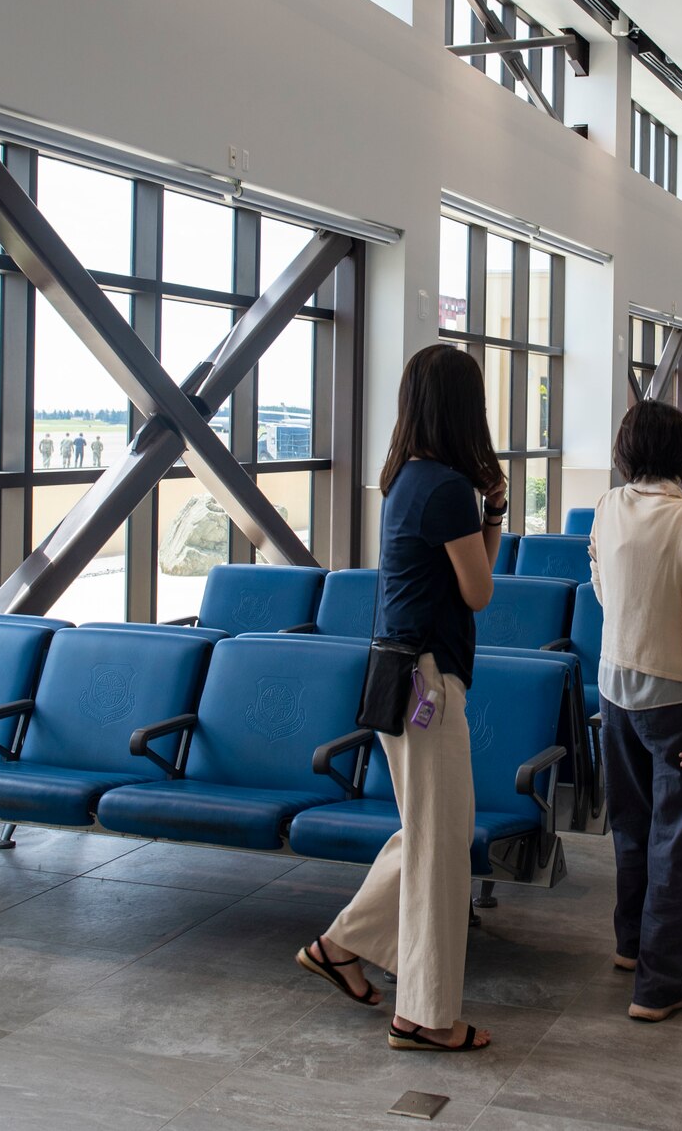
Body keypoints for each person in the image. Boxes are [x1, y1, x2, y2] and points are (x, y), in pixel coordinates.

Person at [296, 344, 502, 1052]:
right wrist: (488, 506)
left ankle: (341, 944)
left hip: (399, 672)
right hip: (427, 684)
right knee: (441, 852)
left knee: (427, 834)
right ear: (462, 410)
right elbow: (478, 593)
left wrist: (493, 510)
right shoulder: (445, 489)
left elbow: (469, 578)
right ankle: (425, 1016)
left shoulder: (406, 481)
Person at [588, 400, 682, 1022]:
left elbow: (601, 590)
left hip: (614, 687)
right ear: (679, 458)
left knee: (632, 825)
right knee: (676, 841)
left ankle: (628, 944)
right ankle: (660, 983)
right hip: (671, 697)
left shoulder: (608, 507)